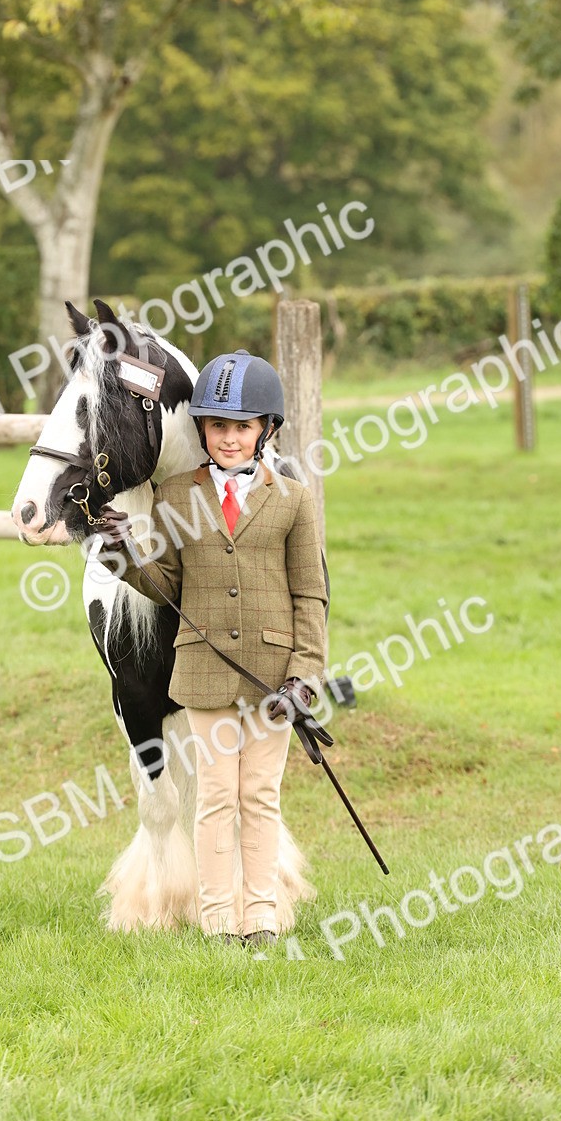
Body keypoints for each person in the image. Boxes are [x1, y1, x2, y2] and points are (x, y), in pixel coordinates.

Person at [97, 349, 328, 948]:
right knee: (216, 797)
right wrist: (123, 553)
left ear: (265, 431)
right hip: (203, 676)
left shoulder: (294, 499)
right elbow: (168, 587)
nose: (228, 438)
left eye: (242, 427)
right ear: (202, 430)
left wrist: (305, 675)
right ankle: (218, 918)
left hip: (272, 678)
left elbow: (310, 593)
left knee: (260, 797)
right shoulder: (176, 495)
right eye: (217, 427)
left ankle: (263, 916)